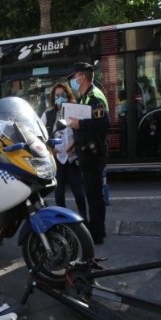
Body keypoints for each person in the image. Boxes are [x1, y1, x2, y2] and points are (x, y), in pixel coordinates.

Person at [67, 62, 110, 244]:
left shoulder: (94, 97)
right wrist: (75, 142)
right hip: (88, 152)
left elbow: (103, 123)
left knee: (94, 196)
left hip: (94, 154)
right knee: (92, 194)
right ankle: (97, 230)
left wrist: (80, 124)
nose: (73, 80)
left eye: (74, 76)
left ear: (82, 77)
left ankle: (97, 234)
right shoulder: (86, 96)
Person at [40, 83, 87, 220]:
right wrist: (50, 149)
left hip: (72, 158)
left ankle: (84, 220)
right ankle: (63, 221)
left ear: (68, 95)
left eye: (63, 95)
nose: (60, 98)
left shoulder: (74, 110)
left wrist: (73, 145)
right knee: (59, 194)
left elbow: (82, 131)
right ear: (53, 98)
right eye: (57, 95)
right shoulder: (48, 114)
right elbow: (40, 135)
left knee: (79, 193)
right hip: (57, 159)